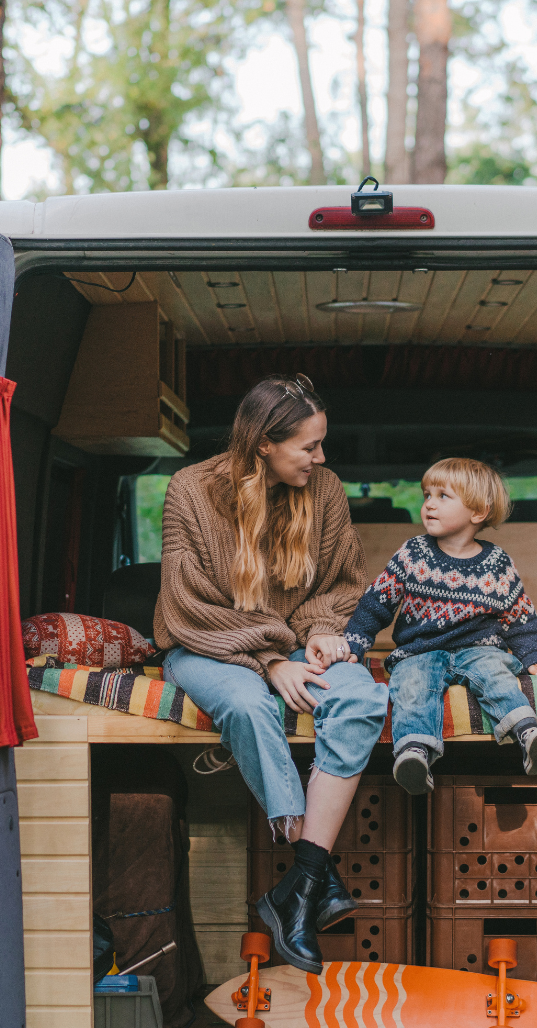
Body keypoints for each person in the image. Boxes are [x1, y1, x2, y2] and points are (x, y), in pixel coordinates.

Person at [154, 373, 388, 974]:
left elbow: (341, 583)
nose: (321, 457)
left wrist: (319, 638)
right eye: (309, 446)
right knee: (251, 705)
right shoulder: (190, 490)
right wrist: (270, 661)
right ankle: (311, 881)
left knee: (361, 699)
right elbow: (188, 606)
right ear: (263, 442)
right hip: (206, 646)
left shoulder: (326, 490)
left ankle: (303, 882)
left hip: (297, 644)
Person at [342, 457, 537, 796]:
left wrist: (535, 656)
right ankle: (414, 753)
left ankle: (528, 733)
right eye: (426, 495)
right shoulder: (413, 554)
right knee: (412, 684)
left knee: (496, 674)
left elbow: (519, 617)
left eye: (443, 496)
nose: (429, 504)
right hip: (420, 651)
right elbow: (376, 604)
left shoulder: (497, 563)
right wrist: (354, 645)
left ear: (478, 512)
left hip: (480, 649)